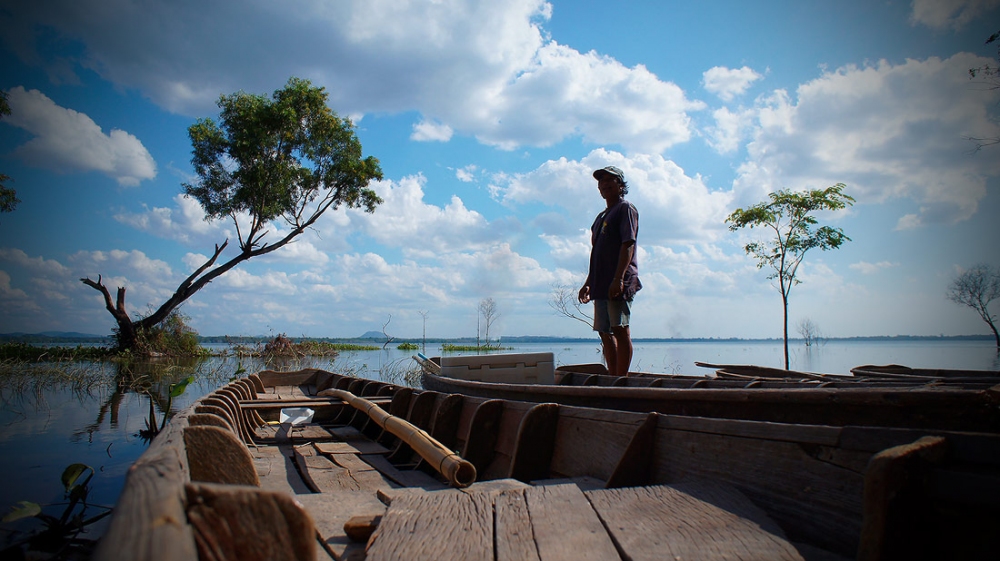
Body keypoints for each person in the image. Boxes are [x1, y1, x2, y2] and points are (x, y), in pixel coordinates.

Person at [578, 165, 641, 377]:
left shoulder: (625, 209)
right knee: (605, 332)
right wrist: (588, 282)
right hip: (600, 281)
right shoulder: (601, 216)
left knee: (620, 329)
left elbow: (628, 244)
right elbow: (596, 251)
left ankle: (621, 380)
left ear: (620, 185)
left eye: (609, 181)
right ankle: (613, 377)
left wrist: (619, 278)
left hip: (618, 280)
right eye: (601, 182)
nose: (604, 184)